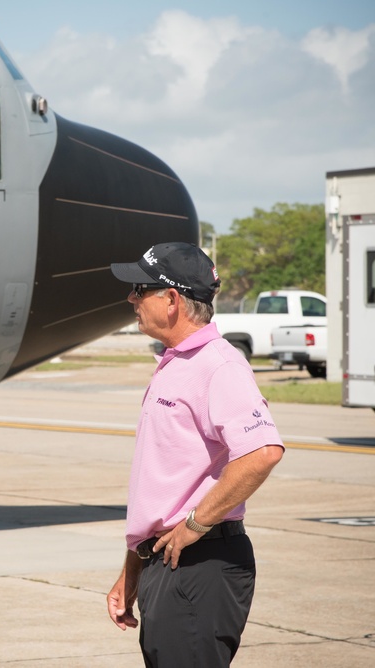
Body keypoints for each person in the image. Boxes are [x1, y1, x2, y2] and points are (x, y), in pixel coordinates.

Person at [105, 242, 284, 667]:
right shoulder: (176, 362)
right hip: (166, 562)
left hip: (200, 563)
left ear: (171, 300)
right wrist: (131, 573)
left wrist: (195, 524)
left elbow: (262, 452)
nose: (130, 297)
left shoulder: (218, 366)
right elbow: (164, 485)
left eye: (139, 288)